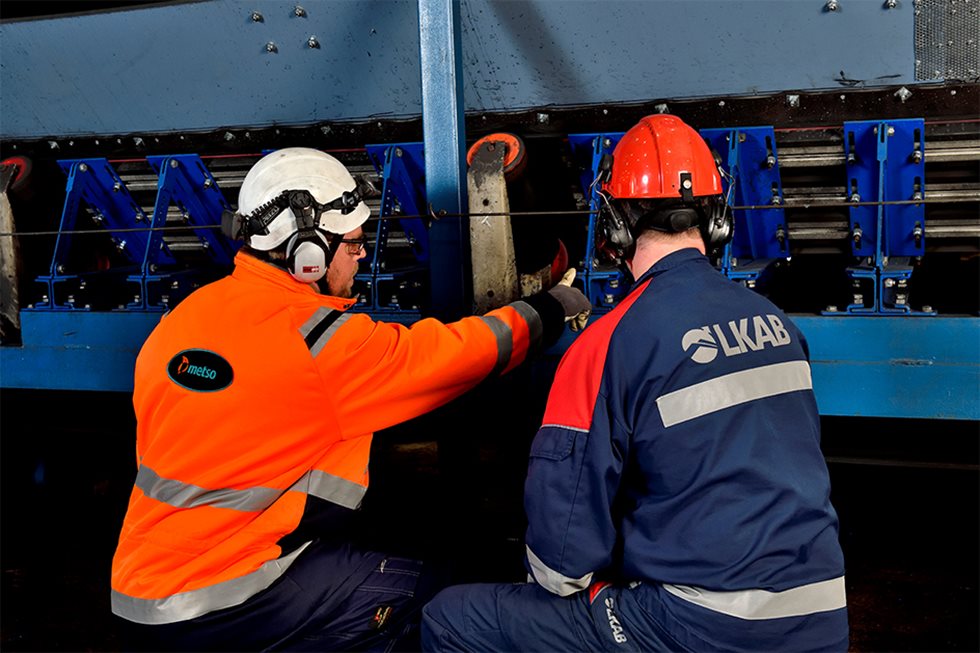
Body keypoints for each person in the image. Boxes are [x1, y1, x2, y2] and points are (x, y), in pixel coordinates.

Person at [109, 147, 591, 651]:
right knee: (437, 587)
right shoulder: (317, 341)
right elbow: (451, 356)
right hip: (223, 599)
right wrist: (548, 309)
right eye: (354, 244)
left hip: (139, 592)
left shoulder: (183, 320)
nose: (362, 258)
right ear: (307, 253)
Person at [421, 115, 848, 652]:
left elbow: (561, 561)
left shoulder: (605, 343)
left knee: (452, 617)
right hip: (821, 620)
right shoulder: (778, 324)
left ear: (614, 225)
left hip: (707, 628)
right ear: (716, 218)